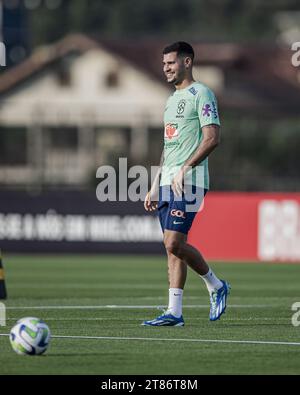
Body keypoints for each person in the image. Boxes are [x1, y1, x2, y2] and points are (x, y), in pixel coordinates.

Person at [142, 41, 230, 326]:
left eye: (171, 62)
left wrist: (185, 168)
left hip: (190, 182)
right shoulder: (170, 100)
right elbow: (168, 147)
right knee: (172, 248)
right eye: (164, 63)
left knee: (174, 242)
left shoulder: (202, 93)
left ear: (187, 62)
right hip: (168, 182)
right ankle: (175, 313)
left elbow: (212, 138)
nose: (166, 67)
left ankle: (216, 285)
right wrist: (155, 183)